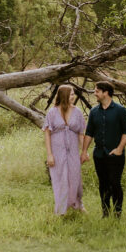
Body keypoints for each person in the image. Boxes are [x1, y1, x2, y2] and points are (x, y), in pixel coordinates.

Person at [81, 81, 126, 217]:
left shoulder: (121, 110)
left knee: (115, 183)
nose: (94, 93)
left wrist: (119, 149)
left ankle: (117, 212)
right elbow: (89, 133)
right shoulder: (94, 111)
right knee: (103, 184)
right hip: (99, 155)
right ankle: (105, 211)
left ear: (106, 93)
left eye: (97, 91)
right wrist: (84, 151)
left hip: (116, 154)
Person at [43, 83, 86, 215]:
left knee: (75, 178)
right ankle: (61, 210)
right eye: (72, 94)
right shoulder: (52, 112)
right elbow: (47, 133)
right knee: (59, 179)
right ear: (65, 95)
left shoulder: (77, 112)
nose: (74, 96)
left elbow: (81, 133)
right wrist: (49, 154)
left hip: (73, 150)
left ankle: (77, 204)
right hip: (57, 151)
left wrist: (84, 151)